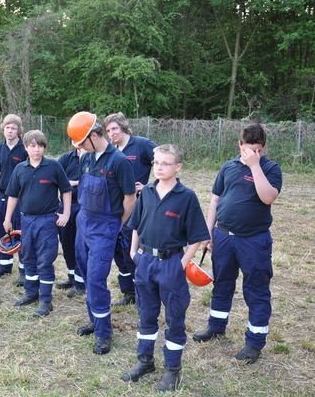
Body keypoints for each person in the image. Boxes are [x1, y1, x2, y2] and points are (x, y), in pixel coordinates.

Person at [121, 144, 209, 392]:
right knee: (146, 313)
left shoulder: (186, 197)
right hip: (145, 261)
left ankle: (172, 369)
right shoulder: (147, 192)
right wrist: (133, 252)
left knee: (174, 317)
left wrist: (181, 263)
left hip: (171, 263)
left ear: (178, 167)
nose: (159, 167)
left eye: (166, 163)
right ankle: (145, 361)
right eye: (156, 163)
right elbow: (136, 224)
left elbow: (197, 237)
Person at [192, 123, 282, 364]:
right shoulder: (228, 167)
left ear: (264, 147)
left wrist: (255, 166)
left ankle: (254, 342)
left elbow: (268, 197)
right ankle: (216, 326)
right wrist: (208, 231)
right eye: (247, 150)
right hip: (223, 236)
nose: (252, 154)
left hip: (254, 240)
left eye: (257, 150)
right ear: (239, 145)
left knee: (256, 289)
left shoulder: (270, 168)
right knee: (222, 283)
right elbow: (215, 200)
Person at [67, 111, 136, 355]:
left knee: (96, 279)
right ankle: (95, 320)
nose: (79, 147)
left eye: (81, 142)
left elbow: (130, 198)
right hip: (84, 221)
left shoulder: (119, 161)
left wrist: (118, 224)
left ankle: (104, 333)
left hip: (105, 226)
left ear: (94, 136)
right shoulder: (86, 158)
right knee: (86, 274)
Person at [4, 130, 72, 317]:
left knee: (45, 260)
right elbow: (12, 195)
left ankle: (45, 300)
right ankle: (31, 292)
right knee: (28, 257)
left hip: (47, 221)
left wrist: (66, 213)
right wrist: (7, 218)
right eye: (32, 146)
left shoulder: (54, 166)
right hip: (26, 220)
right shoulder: (20, 169)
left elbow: (66, 190)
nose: (37, 150)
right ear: (26, 148)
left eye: (40, 146)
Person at [104, 112, 157, 306]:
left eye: (114, 128)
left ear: (124, 127)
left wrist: (150, 186)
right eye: (108, 130)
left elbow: (166, 161)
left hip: (136, 206)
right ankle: (128, 292)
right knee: (117, 249)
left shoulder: (142, 144)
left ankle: (142, 292)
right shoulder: (111, 150)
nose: (112, 133)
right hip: (114, 206)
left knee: (131, 249)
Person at [0, 114, 28, 285]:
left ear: (19, 130)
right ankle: (4, 265)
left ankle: (24, 270)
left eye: (13, 128)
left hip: (21, 195)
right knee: (2, 228)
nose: (10, 131)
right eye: (7, 127)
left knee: (20, 230)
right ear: (3, 129)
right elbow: (0, 170)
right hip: (3, 194)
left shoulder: (25, 148)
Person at [56, 145, 86, 297]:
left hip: (85, 206)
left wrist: (73, 182)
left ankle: (81, 283)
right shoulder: (66, 158)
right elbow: (56, 179)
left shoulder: (95, 158)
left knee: (81, 245)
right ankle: (72, 276)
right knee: (66, 242)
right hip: (66, 205)